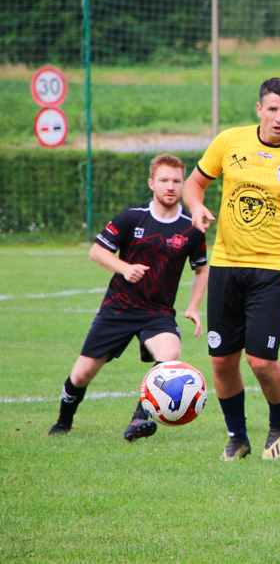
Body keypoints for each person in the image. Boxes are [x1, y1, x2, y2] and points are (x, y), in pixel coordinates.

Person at [183, 77, 280, 461]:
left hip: (273, 270)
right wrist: (196, 207)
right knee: (221, 360)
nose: (279, 117)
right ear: (259, 109)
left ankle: (279, 423)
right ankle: (237, 436)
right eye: (272, 108)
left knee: (261, 361)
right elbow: (193, 184)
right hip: (226, 265)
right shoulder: (230, 141)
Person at [47, 154, 209, 441]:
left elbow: (202, 269)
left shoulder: (191, 227)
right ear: (151, 183)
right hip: (118, 308)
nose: (170, 187)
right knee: (82, 375)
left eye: (176, 181)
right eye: (164, 181)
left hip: (158, 313)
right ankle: (63, 422)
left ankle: (139, 420)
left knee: (170, 355)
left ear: (184, 184)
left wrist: (194, 306)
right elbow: (97, 251)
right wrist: (124, 268)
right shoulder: (131, 217)